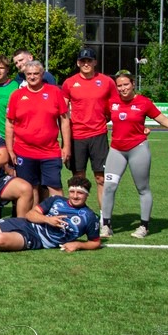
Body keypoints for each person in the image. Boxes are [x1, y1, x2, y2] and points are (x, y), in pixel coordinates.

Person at [101, 71, 168, 239]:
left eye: (126, 84)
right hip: (116, 150)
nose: (123, 88)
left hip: (138, 149)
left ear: (133, 84)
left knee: (142, 188)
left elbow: (165, 121)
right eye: (119, 85)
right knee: (109, 187)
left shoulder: (144, 102)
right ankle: (106, 225)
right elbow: (101, 119)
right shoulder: (111, 102)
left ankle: (144, 226)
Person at [6, 60, 71, 202]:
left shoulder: (54, 92)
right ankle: (34, 222)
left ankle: (58, 219)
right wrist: (10, 149)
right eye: (29, 74)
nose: (32, 77)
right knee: (31, 188)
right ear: (25, 75)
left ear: (42, 74)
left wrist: (66, 146)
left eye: (36, 73)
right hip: (24, 151)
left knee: (55, 187)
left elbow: (64, 120)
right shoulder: (16, 95)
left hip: (50, 151)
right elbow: (10, 124)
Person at [61, 47, 114, 213]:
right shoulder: (69, 83)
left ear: (95, 62)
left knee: (101, 178)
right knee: (79, 179)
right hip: (77, 136)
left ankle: (105, 220)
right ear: (78, 63)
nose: (86, 64)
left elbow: (115, 106)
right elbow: (62, 112)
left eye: (89, 61)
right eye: (83, 61)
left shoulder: (107, 82)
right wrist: (65, 141)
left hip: (98, 135)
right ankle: (79, 215)